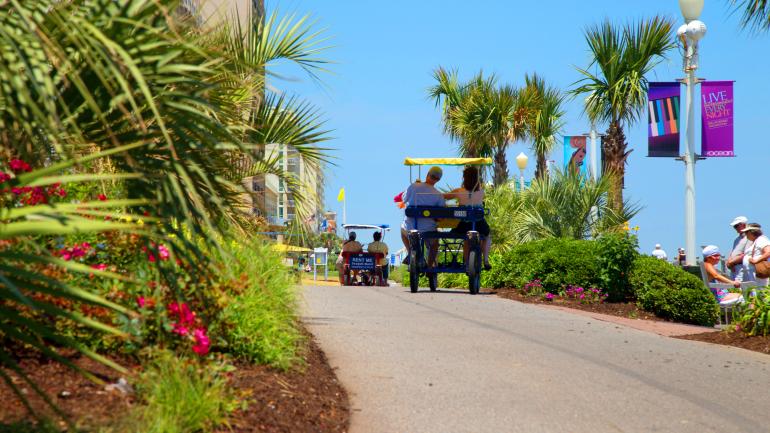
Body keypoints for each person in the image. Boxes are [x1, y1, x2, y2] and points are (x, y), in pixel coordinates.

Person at [444, 166, 492, 270]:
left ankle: (466, 264)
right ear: (476, 178)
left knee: (466, 240)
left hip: (463, 225)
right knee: (487, 236)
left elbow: (444, 197)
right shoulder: (481, 192)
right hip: (479, 224)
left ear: (464, 178)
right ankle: (486, 260)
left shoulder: (458, 191)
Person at [400, 166, 445, 267]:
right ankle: (430, 266)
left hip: (410, 227)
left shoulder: (413, 186)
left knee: (402, 230)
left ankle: (410, 251)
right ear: (438, 180)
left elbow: (404, 199)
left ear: (428, 174)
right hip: (428, 229)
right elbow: (441, 214)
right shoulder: (438, 195)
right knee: (434, 244)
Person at [726, 216, 749, 281]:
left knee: (740, 288)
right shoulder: (736, 239)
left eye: (736, 226)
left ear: (744, 225)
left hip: (742, 267)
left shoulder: (749, 237)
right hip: (734, 268)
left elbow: (746, 254)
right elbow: (733, 252)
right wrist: (729, 262)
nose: (735, 228)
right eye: (734, 226)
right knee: (734, 288)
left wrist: (731, 263)